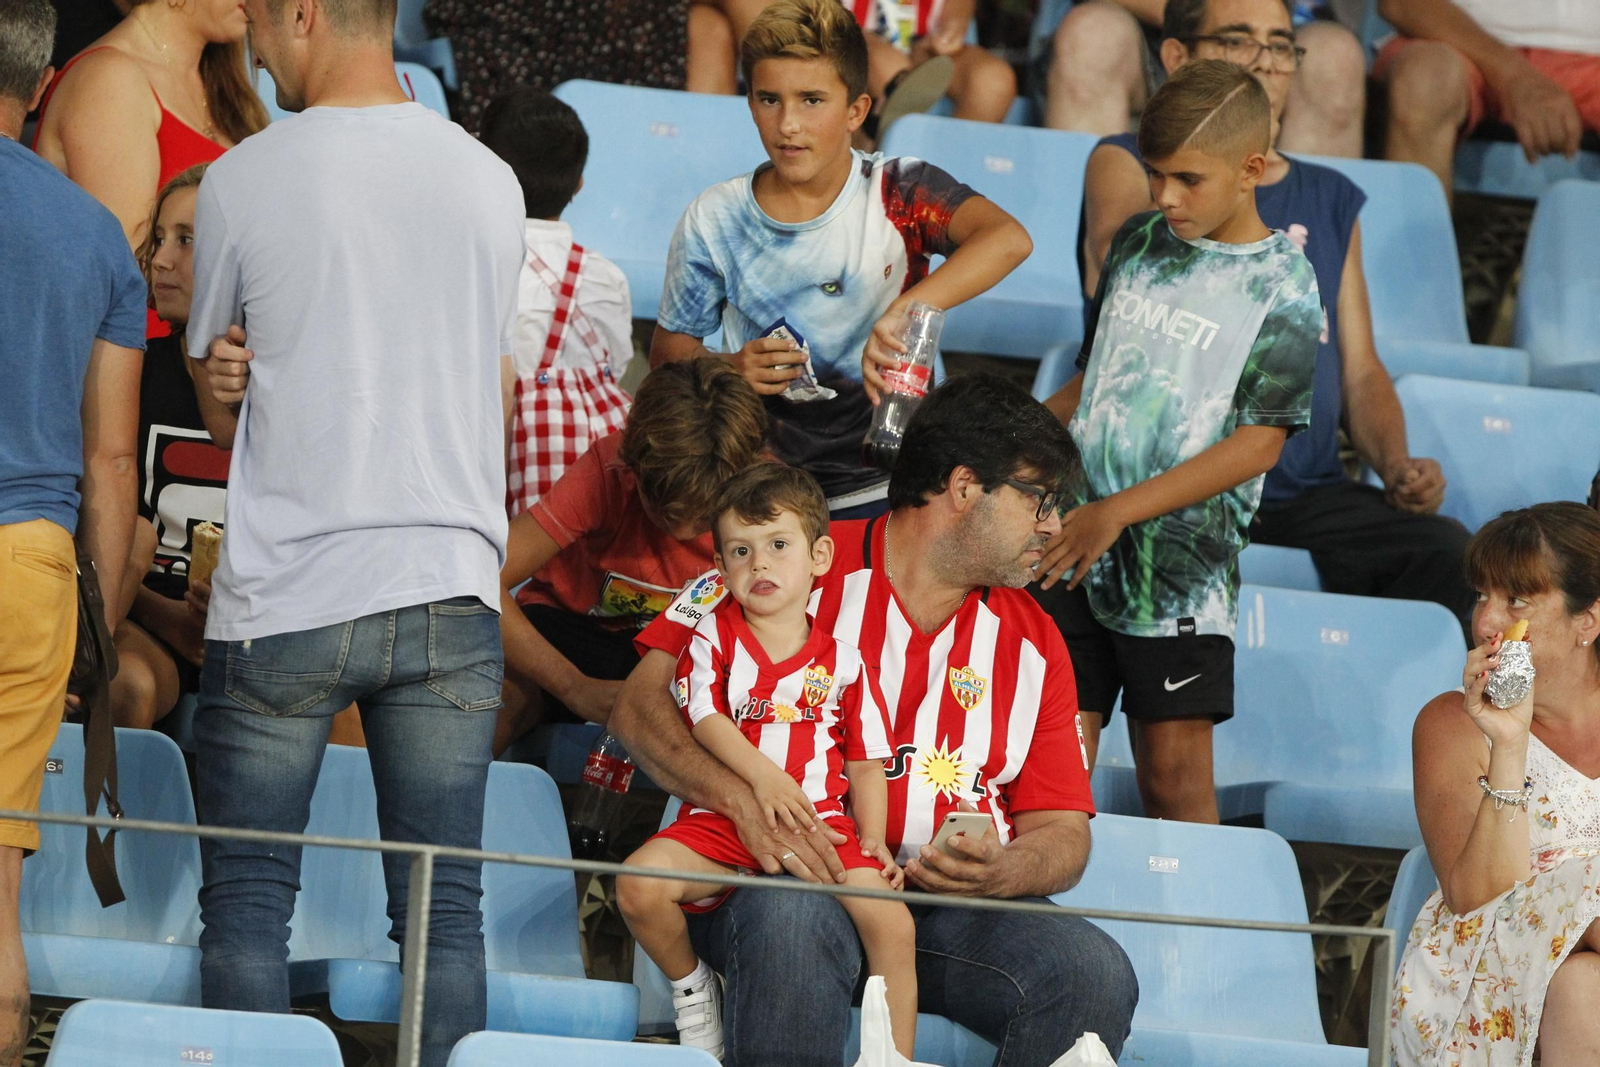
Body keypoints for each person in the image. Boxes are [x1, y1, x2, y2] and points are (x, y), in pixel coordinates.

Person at [610, 373, 1139, 1067]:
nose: (1053, 524)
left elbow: (1064, 834)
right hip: (789, 885)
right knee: (792, 915)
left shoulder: (1038, 639)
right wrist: (742, 800)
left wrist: (1002, 868)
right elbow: (639, 705)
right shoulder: (789, 557)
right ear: (963, 488)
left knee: (1092, 973)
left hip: (951, 917)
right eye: (1039, 500)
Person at [185, 0, 525, 1062]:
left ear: (305, 15)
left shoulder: (244, 174)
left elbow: (220, 389)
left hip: (289, 586)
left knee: (245, 900)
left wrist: (230, 379)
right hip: (449, 580)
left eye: (257, 18)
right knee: (442, 908)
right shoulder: (491, 176)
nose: (249, 40)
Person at [1073, 0, 1474, 653]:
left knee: (1444, 552)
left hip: (1298, 495)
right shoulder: (1131, 164)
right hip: (1163, 476)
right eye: (1238, 40)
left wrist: (1395, 462)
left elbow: (1361, 368)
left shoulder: (1329, 196)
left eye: (1281, 45)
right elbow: (1122, 251)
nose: (1264, 62)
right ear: (1177, 57)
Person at [1038, 61, 1320, 822]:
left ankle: (1196, 944)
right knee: (1053, 769)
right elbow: (1091, 380)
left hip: (1181, 577)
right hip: (1072, 542)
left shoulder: (1285, 284)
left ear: (1250, 170)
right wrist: (1021, 440)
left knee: (1173, 780)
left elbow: (1261, 443)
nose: (1164, 197)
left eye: (1188, 179)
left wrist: (1119, 511)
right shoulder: (1136, 241)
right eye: (1155, 174)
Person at [650, 0, 1032, 521]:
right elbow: (668, 356)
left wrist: (904, 309)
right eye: (768, 99)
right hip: (756, 489)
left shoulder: (898, 189)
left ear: (856, 110)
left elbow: (1008, 239)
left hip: (888, 481)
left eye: (811, 100)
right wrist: (727, 368)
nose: (787, 124)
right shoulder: (714, 217)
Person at [617, 463, 915, 1060]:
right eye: (740, 551)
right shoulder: (712, 635)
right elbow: (705, 719)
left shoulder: (847, 661)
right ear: (721, 568)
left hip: (821, 828)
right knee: (636, 887)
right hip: (725, 820)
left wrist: (876, 838)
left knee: (895, 926)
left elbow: (865, 760)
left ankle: (893, 1055)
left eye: (779, 545)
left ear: (819, 556)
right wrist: (763, 778)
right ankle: (695, 991)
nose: (759, 564)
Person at [1, 0, 144, 1057]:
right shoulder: (96, 231)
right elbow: (111, 462)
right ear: (43, 82)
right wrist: (98, 635)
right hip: (30, 567)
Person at [1393, 503, 1600, 1067]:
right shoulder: (1450, 724)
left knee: (1585, 988)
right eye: (1483, 595)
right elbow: (1478, 897)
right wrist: (1508, 742)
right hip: (1483, 980)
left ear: (1589, 620)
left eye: (1516, 601)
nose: (1487, 621)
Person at [495, 359, 769, 752]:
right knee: (494, 698)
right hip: (570, 633)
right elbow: (483, 576)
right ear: (633, 466)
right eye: (664, 512)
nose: (684, 529)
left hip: (691, 651)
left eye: (704, 517)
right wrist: (575, 687)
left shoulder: (764, 494)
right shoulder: (607, 470)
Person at [30, 0, 267, 338]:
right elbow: (123, 285)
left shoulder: (225, 86)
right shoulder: (110, 79)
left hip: (212, 364)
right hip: (154, 368)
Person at [479, 87, 636, 516]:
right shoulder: (605, 276)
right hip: (595, 483)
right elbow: (617, 365)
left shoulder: (479, 266)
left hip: (513, 478)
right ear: (578, 185)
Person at [1044, 0, 1366, 158]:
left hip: (1287, 21)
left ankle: (1298, 263)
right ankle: (1079, 253)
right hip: (1147, 25)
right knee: (1094, 35)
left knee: (1335, 57)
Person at [1377, 0, 1598, 198]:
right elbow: (1401, 4)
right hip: (1460, 42)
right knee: (1423, 80)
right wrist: (1515, 76)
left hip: (1592, 58)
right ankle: (1414, 240)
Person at [850, 0, 1018, 128]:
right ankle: (892, 166)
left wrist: (954, 24)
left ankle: (949, 167)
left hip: (928, 47)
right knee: (894, 76)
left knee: (993, 81)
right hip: (856, 38)